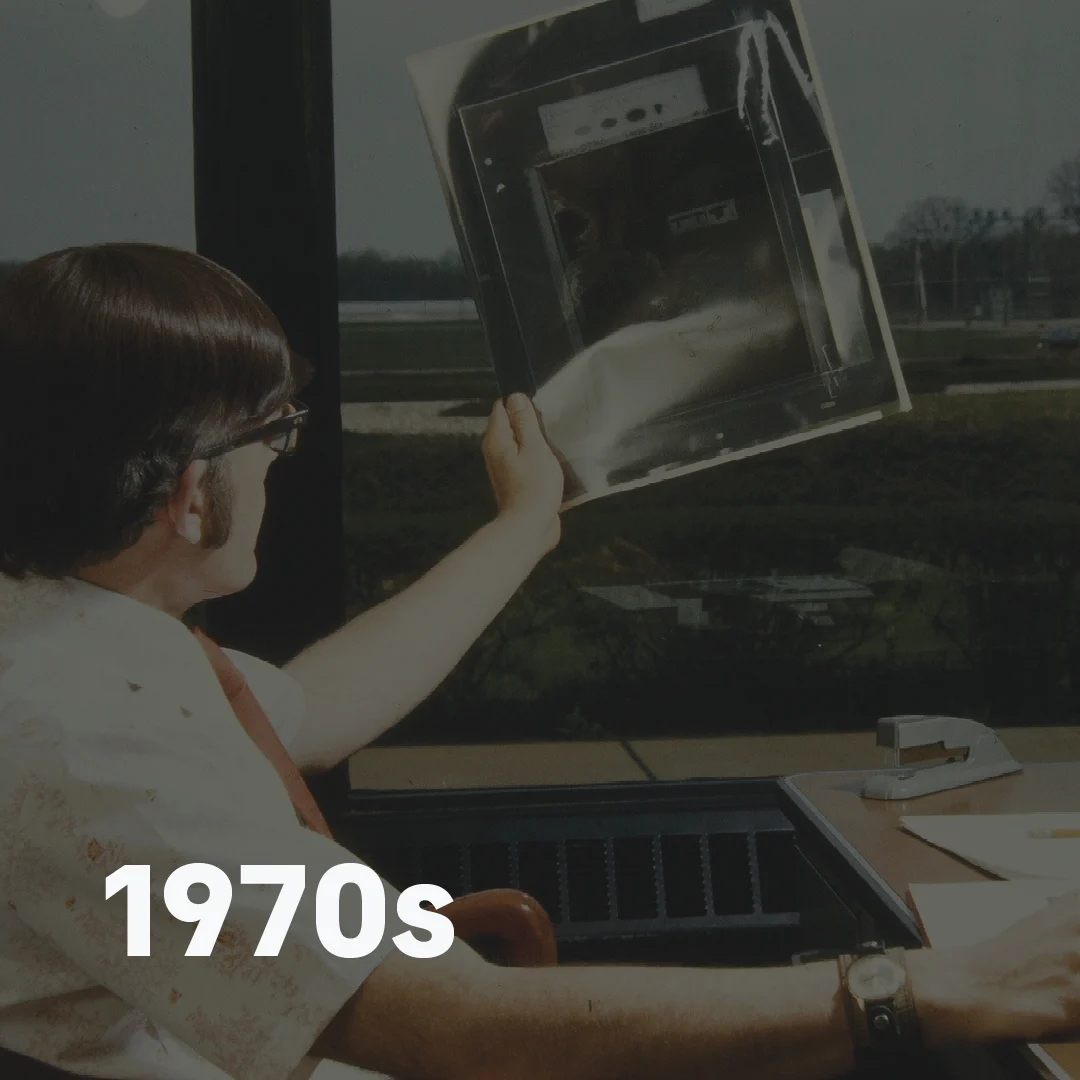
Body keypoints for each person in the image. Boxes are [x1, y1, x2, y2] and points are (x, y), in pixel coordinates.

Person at [2, 242, 1080, 1080]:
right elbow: (471, 1037)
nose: (281, 468)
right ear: (195, 492)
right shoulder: (93, 758)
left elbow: (307, 710)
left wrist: (524, 526)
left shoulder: (79, 642)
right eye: (276, 438)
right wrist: (928, 988)